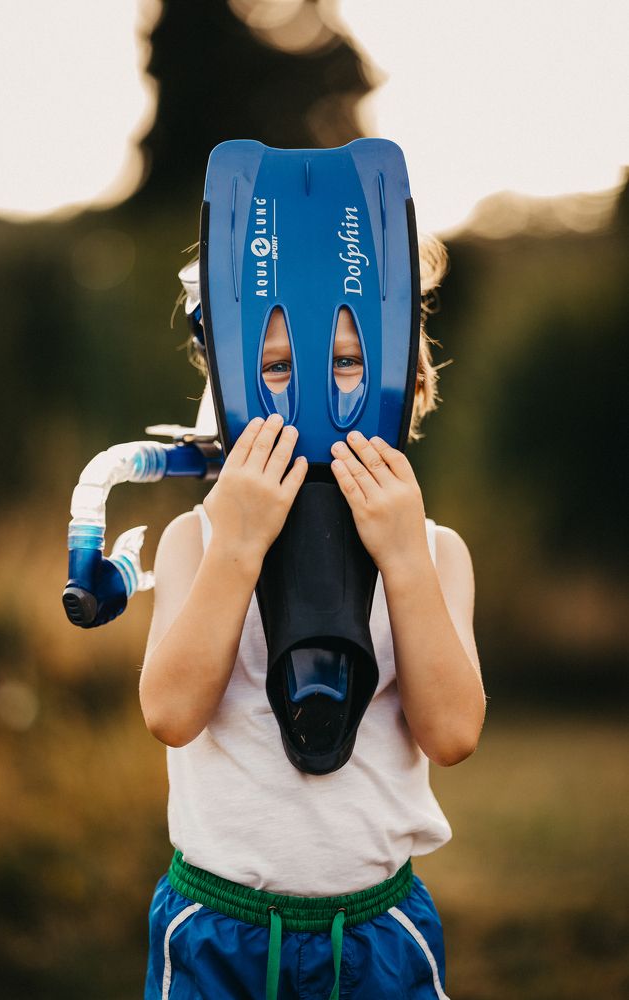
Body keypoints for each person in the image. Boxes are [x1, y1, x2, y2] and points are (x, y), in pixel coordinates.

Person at [140, 235, 486, 1000]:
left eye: (345, 362)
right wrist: (236, 547)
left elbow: (454, 734)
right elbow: (169, 713)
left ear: (407, 376)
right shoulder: (196, 541)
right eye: (275, 367)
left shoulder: (437, 552)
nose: (310, 394)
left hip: (374, 939)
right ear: (229, 387)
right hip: (215, 931)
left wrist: (401, 561)